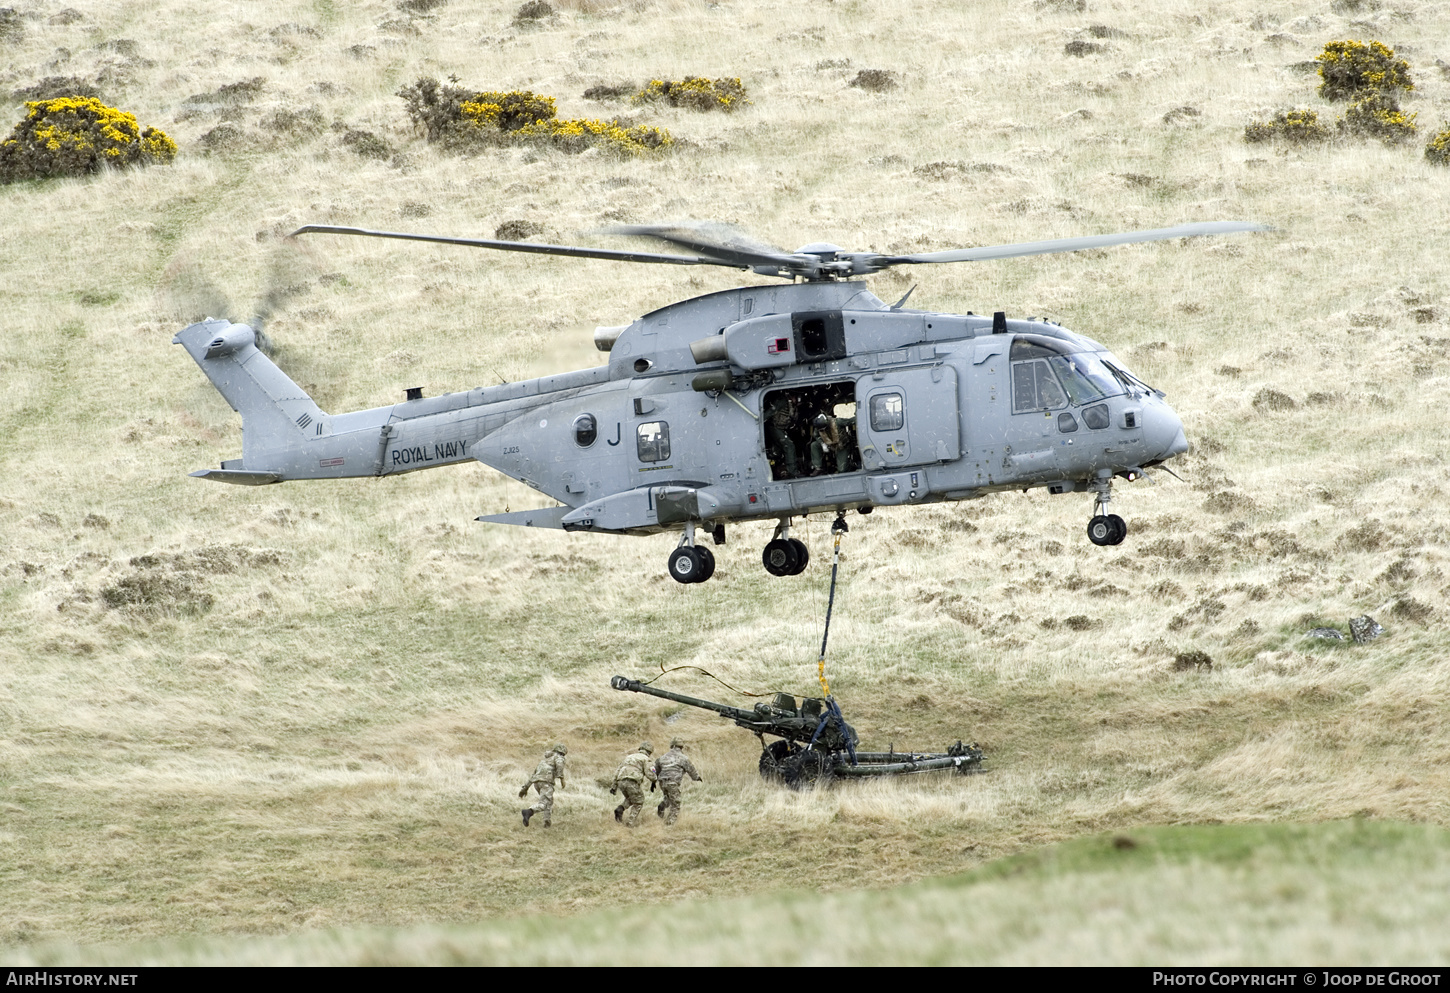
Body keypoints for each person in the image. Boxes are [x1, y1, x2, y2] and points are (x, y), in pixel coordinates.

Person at [653, 738, 702, 825]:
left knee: (668, 797)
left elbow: (655, 769)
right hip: (673, 782)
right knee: (676, 804)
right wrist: (696, 777)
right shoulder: (683, 758)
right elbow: (691, 769)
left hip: (662, 782)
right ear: (681, 747)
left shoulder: (662, 757)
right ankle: (669, 824)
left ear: (672, 746)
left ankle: (663, 805)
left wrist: (653, 781)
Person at [519, 742, 567, 827]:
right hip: (546, 782)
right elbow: (559, 764)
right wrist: (561, 778)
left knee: (548, 802)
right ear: (562, 752)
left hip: (537, 783)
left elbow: (533, 775)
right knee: (544, 803)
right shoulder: (559, 757)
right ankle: (529, 811)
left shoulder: (543, 761)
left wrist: (525, 788)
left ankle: (547, 823)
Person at [611, 741, 657, 826]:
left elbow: (617, 771)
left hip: (621, 781)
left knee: (631, 798)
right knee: (639, 801)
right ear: (650, 751)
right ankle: (630, 823)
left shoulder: (628, 757)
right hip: (632, 781)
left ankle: (620, 808)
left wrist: (614, 786)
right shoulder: (646, 759)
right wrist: (654, 780)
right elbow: (650, 773)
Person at [763, 394, 800, 477]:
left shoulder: (793, 405)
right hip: (775, 427)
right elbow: (771, 411)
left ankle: (775, 465)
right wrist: (759, 419)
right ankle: (792, 472)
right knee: (789, 446)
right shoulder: (782, 402)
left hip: (782, 429)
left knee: (777, 452)